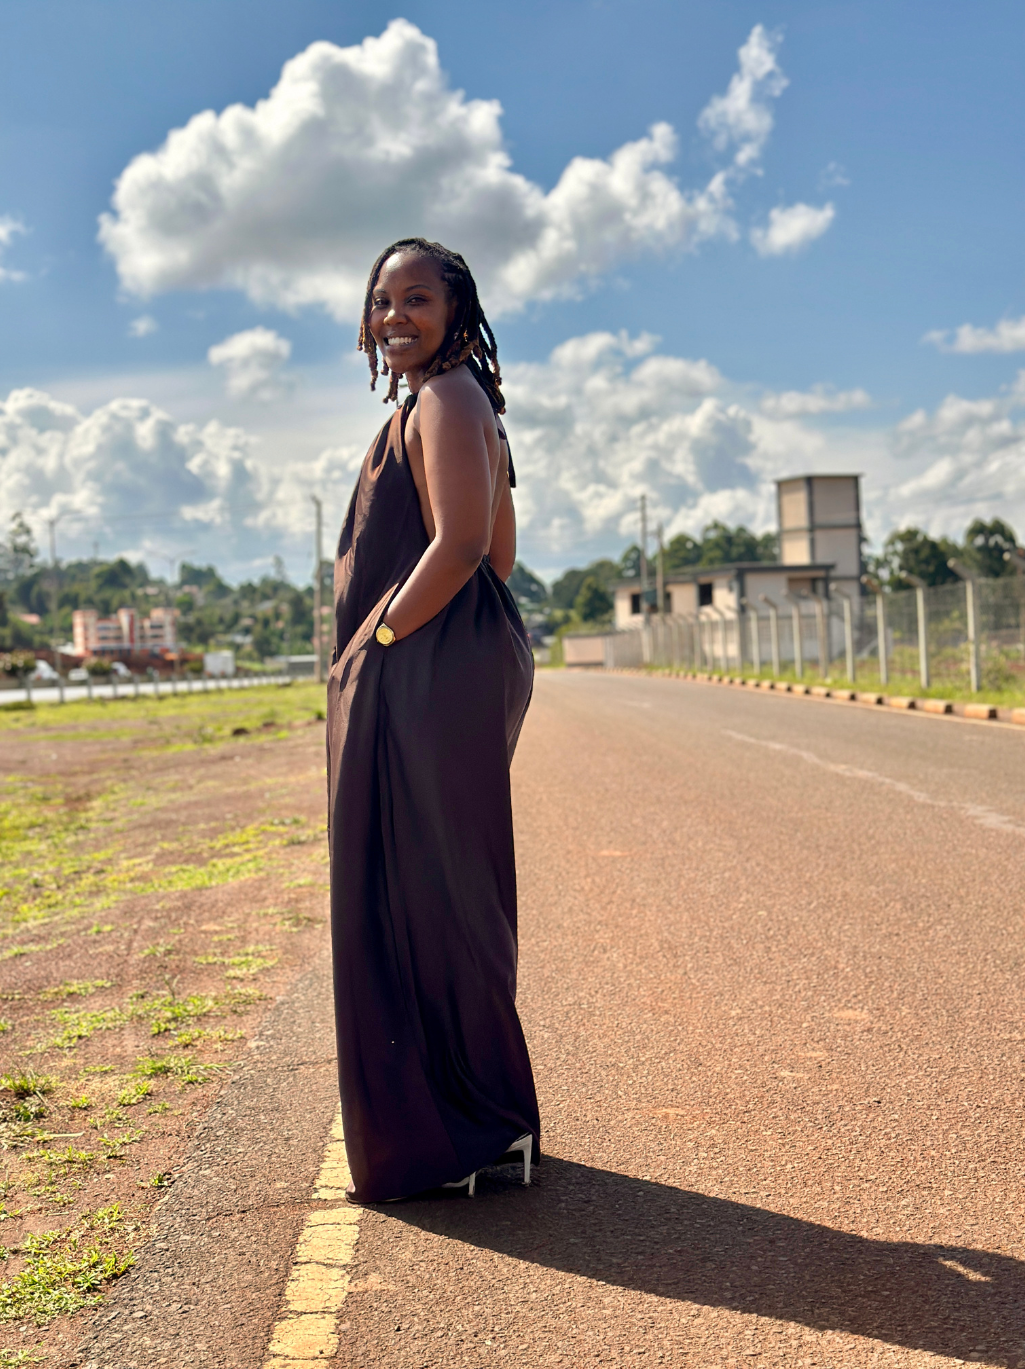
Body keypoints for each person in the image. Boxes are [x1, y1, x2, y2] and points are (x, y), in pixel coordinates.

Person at [327, 238, 540, 1203]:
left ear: (456, 310)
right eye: (382, 300)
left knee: (432, 891)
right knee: (442, 886)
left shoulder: (450, 400)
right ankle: (478, 1119)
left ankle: (470, 1123)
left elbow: (463, 546)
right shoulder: (450, 403)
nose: (395, 314)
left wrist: (384, 640)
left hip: (425, 664)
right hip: (451, 660)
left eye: (417, 297)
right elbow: (496, 557)